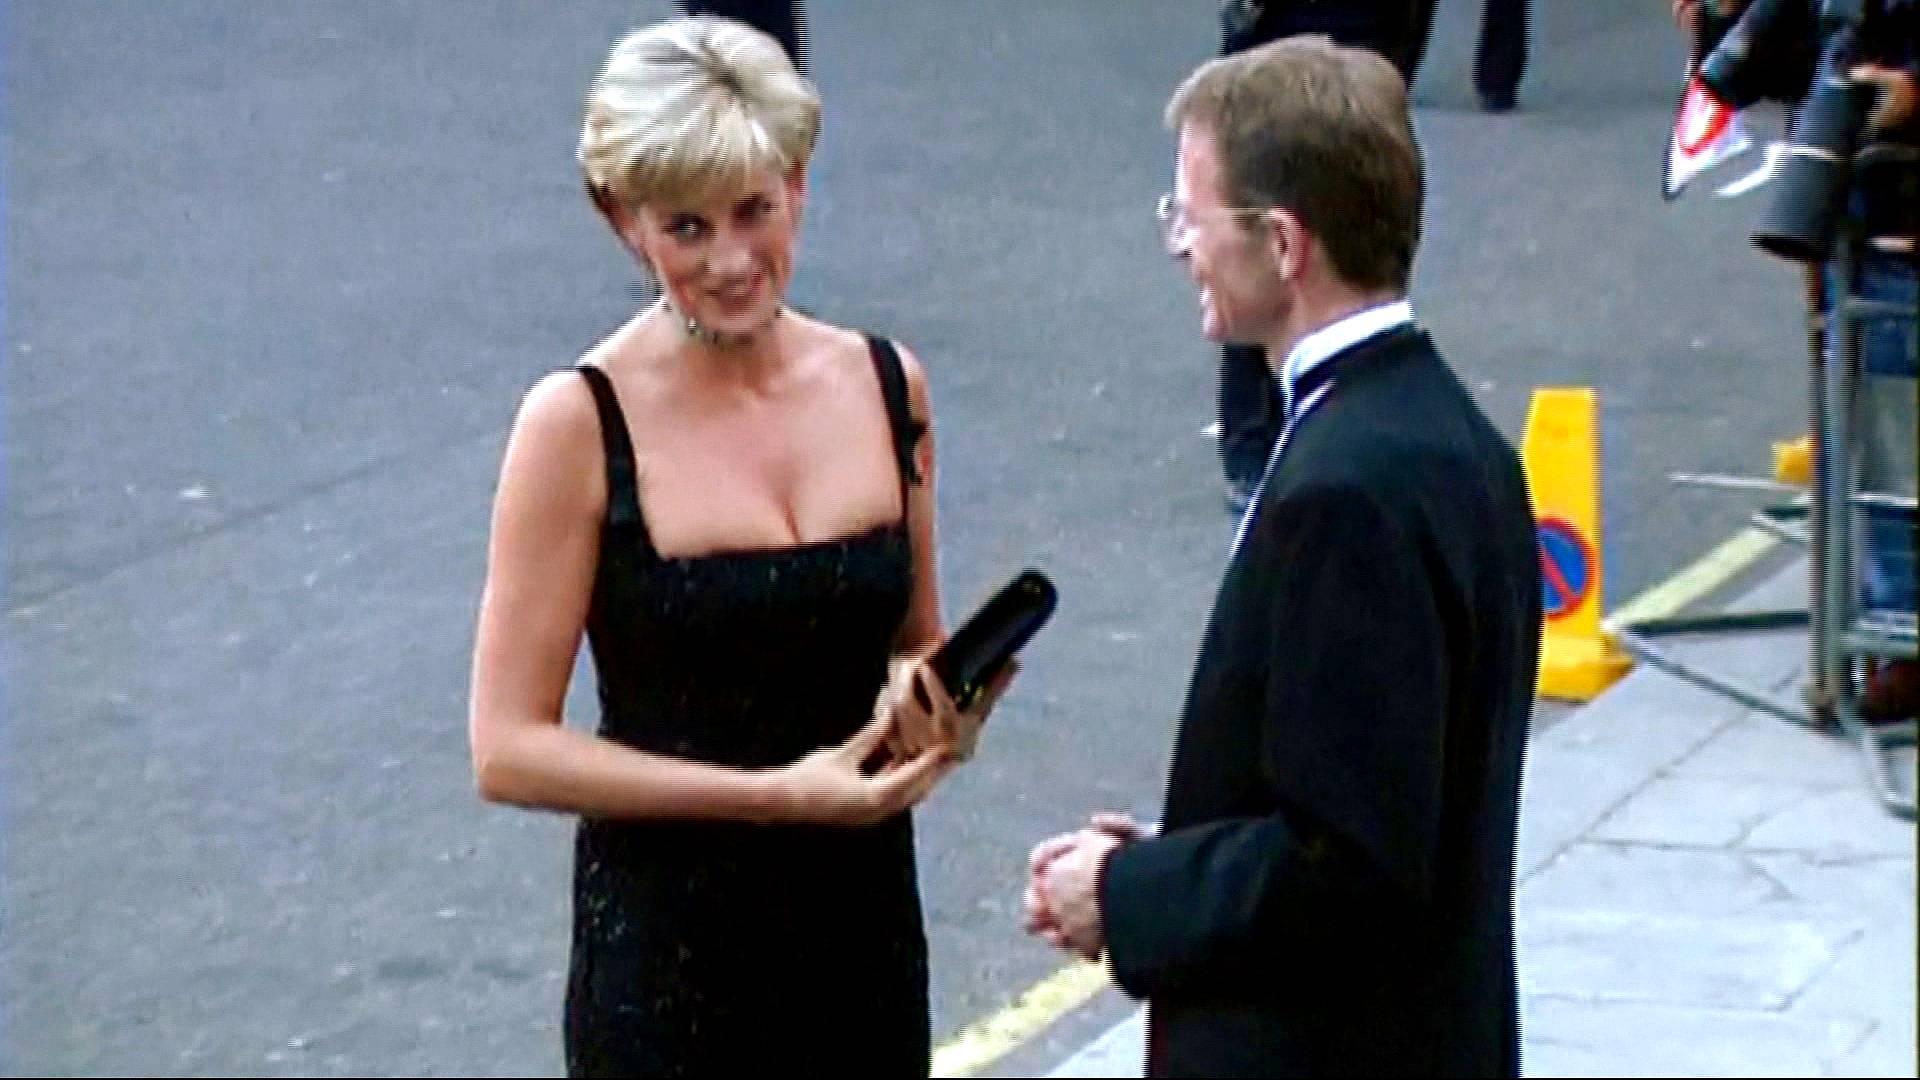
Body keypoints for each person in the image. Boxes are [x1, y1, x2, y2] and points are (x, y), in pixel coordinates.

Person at [465, 16, 1011, 1076]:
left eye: (755, 210)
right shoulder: (577, 423)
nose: (731, 262)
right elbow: (507, 747)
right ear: (622, 220)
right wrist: (771, 797)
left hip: (860, 943)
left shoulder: (888, 385)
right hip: (670, 964)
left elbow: (915, 637)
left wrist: (940, 706)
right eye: (687, 227)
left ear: (798, 183)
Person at [1024, 37, 1542, 1076]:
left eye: (1193, 215)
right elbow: (1387, 782)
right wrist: (1174, 853)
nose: (1180, 244)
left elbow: (1349, 866)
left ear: (1282, 242)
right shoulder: (1451, 438)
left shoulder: (1349, 490)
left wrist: (1124, 893)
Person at [1213, 1, 1433, 513]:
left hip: (1326, 58)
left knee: (1305, 248)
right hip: (1319, 56)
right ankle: (1259, 435)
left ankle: (1272, 436)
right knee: (1288, 241)